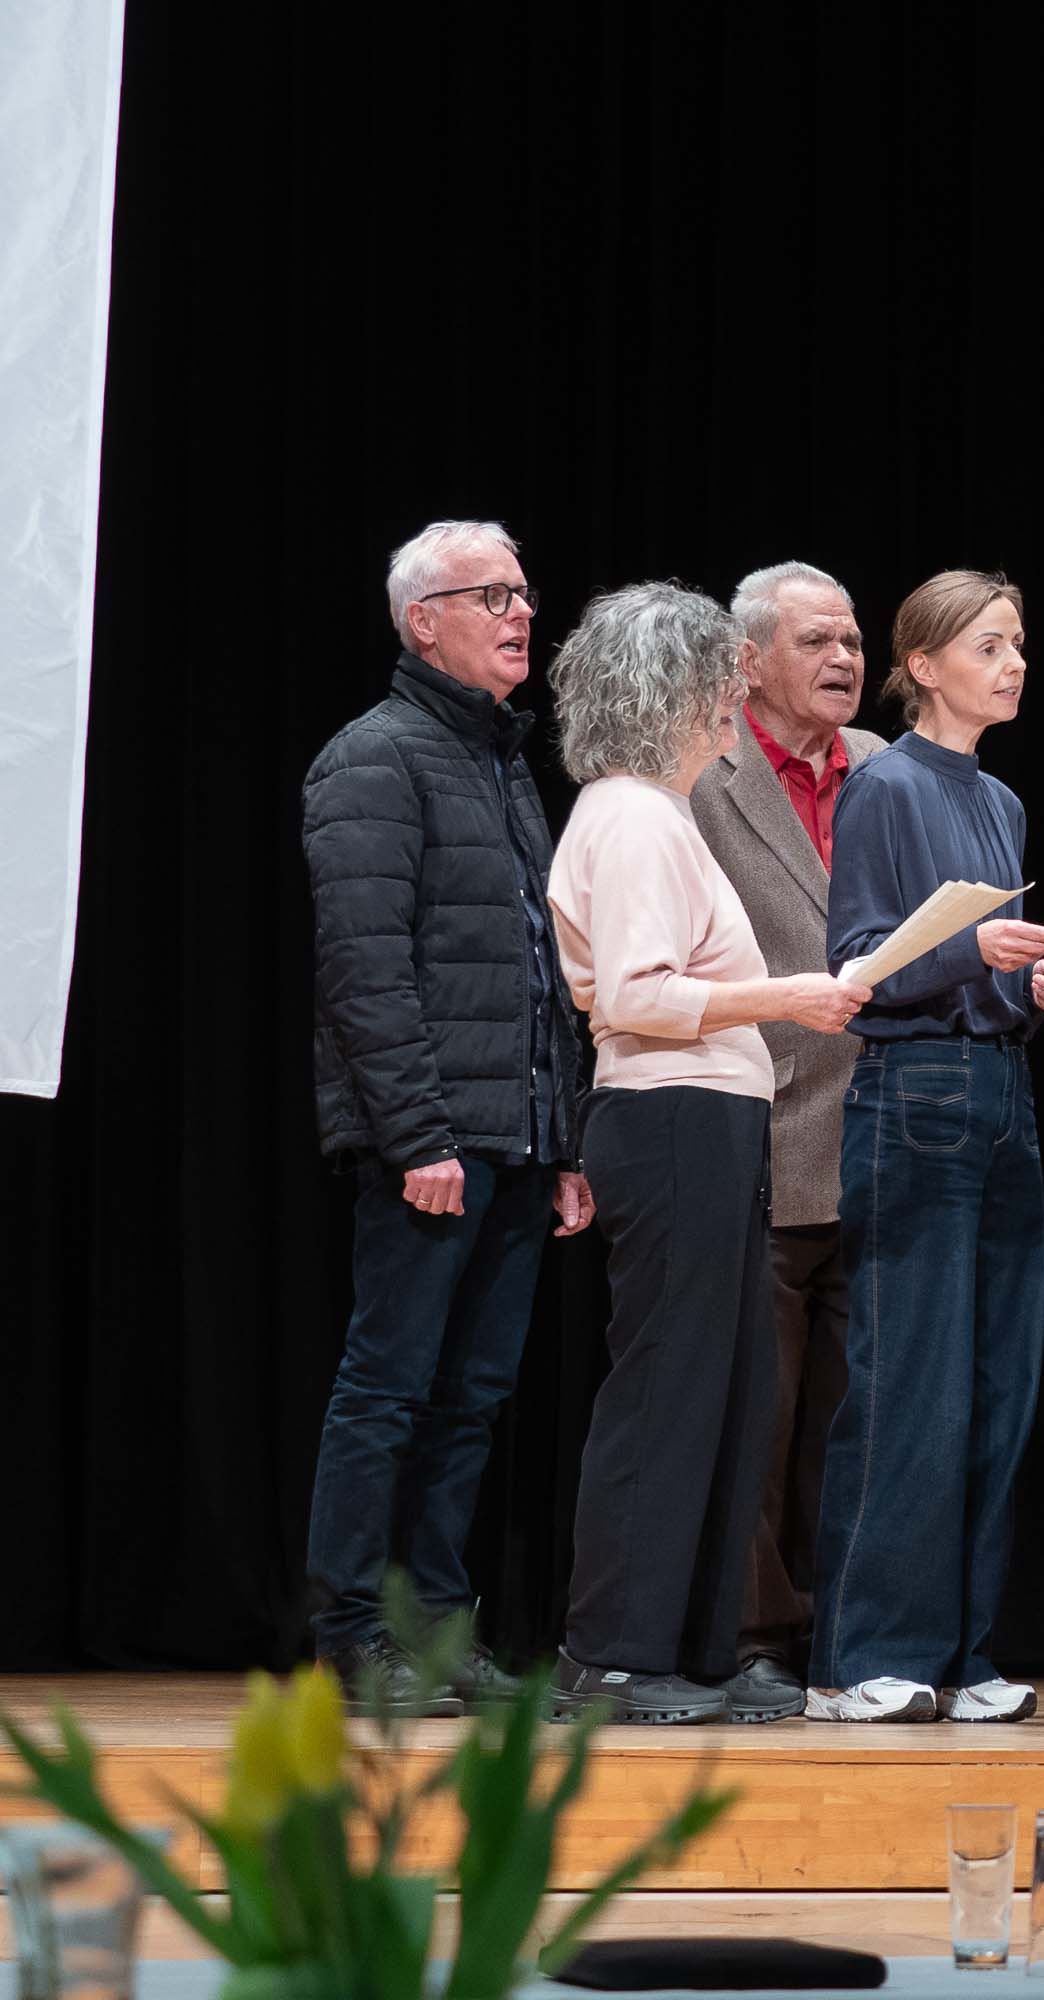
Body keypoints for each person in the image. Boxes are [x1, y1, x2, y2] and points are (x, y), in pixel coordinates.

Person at [544, 582, 872, 1724]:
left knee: (727, 1391)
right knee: (669, 1388)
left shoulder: (657, 812)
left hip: (709, 1118)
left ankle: (688, 1647)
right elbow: (637, 994)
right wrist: (789, 995)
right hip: (672, 1115)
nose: (734, 702)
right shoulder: (633, 816)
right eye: (721, 681)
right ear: (672, 693)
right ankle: (611, 1653)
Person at [301, 519, 589, 1712]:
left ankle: (434, 1633)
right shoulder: (374, 758)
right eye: (492, 596)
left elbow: (536, 966)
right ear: (425, 621)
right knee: (390, 1389)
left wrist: (562, 1139)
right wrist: (419, 1135)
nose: (521, 614)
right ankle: (353, 1634)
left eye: (524, 592)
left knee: (470, 1399)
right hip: (433, 1142)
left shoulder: (502, 761)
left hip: (514, 1139)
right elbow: (366, 972)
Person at [809, 570, 1044, 1724]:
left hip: (1000, 1088)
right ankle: (863, 1652)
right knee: (911, 1376)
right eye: (987, 645)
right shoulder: (884, 786)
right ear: (922, 665)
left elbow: (986, 975)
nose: (1012, 664)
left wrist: (1035, 986)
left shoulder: (1000, 800)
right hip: (916, 1090)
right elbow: (862, 963)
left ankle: (962, 1653)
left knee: (995, 1382)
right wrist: (980, 954)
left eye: (1017, 644)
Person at [689, 561, 890, 1713]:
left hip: (881, 1137)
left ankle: (848, 1631)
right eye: (817, 640)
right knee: (756, 1416)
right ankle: (757, 1631)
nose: (844, 658)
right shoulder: (700, 778)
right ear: (750, 659)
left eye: (853, 639)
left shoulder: (883, 767)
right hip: (757, 1130)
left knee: (856, 1416)